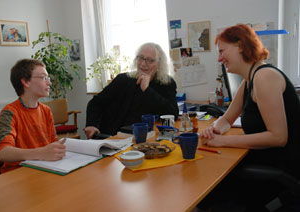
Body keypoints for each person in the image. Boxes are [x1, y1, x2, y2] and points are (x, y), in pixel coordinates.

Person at [199, 24, 300, 210]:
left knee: (210, 195)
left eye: (222, 51)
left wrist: (222, 142)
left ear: (240, 46)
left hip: (281, 168)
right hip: (265, 160)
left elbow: (278, 137)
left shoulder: (264, 77)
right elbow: (227, 119)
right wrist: (214, 130)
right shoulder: (249, 80)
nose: (220, 58)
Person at [85, 42, 179, 138]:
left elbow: (173, 114)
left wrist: (147, 89)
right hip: (115, 136)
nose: (143, 64)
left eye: (150, 60)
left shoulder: (166, 83)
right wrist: (91, 124)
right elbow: (95, 103)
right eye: (141, 58)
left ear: (159, 64)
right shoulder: (122, 79)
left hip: (148, 137)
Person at [0, 59, 66, 173]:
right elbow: (2, 152)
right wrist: (42, 153)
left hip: (45, 169)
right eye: (44, 78)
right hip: (18, 174)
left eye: (48, 78)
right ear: (26, 82)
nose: (49, 83)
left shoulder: (46, 110)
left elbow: (53, 142)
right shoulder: (10, 112)